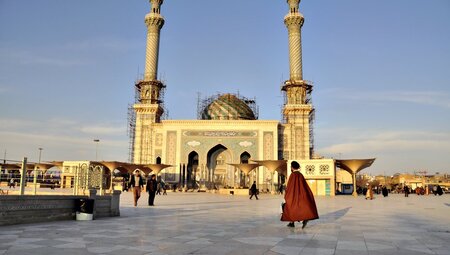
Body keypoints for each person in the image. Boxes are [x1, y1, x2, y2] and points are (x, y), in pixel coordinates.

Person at [281, 161, 318, 229]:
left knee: (289, 207)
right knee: (298, 208)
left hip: (293, 196)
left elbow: (290, 187)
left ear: (292, 167)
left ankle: (293, 222)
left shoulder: (292, 175)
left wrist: (286, 195)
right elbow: (304, 186)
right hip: (301, 195)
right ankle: (294, 222)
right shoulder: (300, 175)